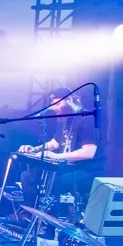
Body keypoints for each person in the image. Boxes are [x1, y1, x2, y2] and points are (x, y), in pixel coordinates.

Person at [14, 86, 101, 219]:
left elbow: (88, 152)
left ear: (71, 99)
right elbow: (55, 142)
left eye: (58, 103)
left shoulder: (87, 119)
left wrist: (57, 156)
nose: (55, 108)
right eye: (53, 105)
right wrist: (35, 149)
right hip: (67, 168)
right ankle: (29, 215)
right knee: (28, 176)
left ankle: (51, 224)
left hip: (87, 171)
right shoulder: (65, 119)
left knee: (55, 182)